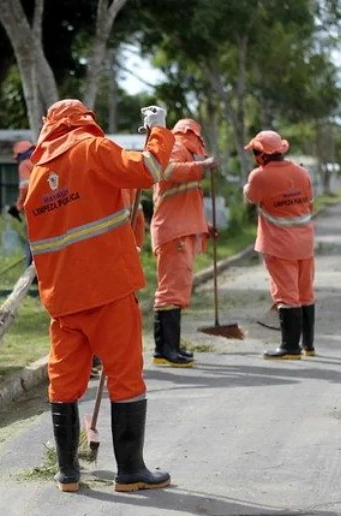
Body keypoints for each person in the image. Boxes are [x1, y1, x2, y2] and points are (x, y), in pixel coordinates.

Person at [24, 99, 174, 494]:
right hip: (107, 291)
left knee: (64, 383)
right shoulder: (91, 149)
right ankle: (130, 472)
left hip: (63, 301)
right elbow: (150, 170)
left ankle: (67, 473)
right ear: (84, 121)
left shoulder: (38, 176)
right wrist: (159, 131)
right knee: (126, 378)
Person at [150, 119, 219, 367]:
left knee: (177, 290)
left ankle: (171, 347)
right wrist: (202, 168)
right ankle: (164, 350)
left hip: (181, 230)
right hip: (173, 232)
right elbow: (167, 171)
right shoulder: (177, 147)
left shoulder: (186, 152)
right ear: (193, 135)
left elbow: (184, 200)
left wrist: (204, 226)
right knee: (170, 291)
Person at [243, 130, 315, 359]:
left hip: (279, 245)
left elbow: (250, 197)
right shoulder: (302, 173)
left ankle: (290, 346)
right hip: (305, 243)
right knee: (305, 293)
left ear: (260, 155)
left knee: (286, 295)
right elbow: (309, 201)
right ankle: (308, 345)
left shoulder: (259, 176)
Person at [9, 140, 35, 266]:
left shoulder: (24, 164)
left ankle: (32, 273)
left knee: (32, 241)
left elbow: (25, 187)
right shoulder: (41, 161)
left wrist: (18, 207)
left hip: (34, 211)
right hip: (50, 207)